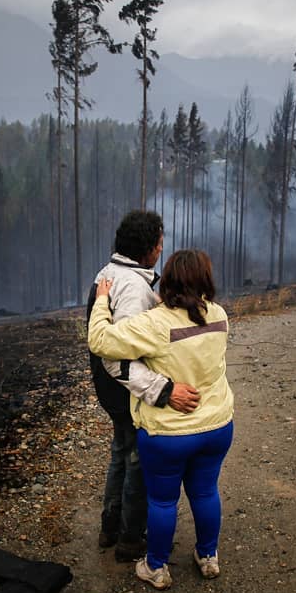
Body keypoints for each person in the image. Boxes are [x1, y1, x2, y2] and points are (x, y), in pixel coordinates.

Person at [89, 249, 234, 590]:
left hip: (169, 433)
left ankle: (156, 567)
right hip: (216, 427)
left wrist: (102, 300)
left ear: (167, 280)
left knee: (163, 501)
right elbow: (187, 327)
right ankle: (208, 556)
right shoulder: (220, 316)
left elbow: (99, 341)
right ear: (205, 282)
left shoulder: (154, 324)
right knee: (204, 492)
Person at [86, 211, 201, 563]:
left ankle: (110, 526)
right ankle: (130, 539)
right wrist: (164, 390)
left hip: (110, 392)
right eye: (160, 244)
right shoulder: (133, 288)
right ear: (149, 250)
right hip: (127, 392)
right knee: (138, 463)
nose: (162, 249)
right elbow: (116, 357)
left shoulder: (108, 273)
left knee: (121, 454)